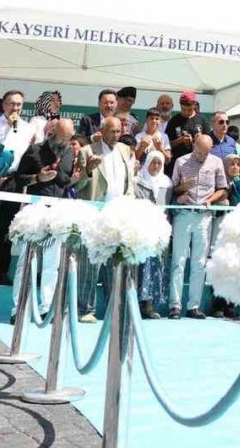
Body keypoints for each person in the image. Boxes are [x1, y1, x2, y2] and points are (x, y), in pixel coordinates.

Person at [12, 118, 78, 319]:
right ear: (52, 133)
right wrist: (38, 178)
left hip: (56, 210)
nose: (64, 142)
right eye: (62, 138)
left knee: (52, 262)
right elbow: (18, 178)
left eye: (68, 138)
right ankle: (18, 307)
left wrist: (71, 179)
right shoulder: (35, 150)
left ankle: (46, 307)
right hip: (34, 210)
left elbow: (65, 180)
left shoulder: (69, 152)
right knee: (26, 260)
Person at [76, 116, 136, 319]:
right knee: (90, 264)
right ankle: (86, 309)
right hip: (94, 216)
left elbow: (129, 182)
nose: (116, 135)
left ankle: (115, 309)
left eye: (119, 131)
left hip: (118, 215)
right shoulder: (87, 151)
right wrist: (88, 171)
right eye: (112, 131)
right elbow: (78, 186)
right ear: (102, 131)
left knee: (115, 263)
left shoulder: (125, 150)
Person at [0, 90, 43, 286]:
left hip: (14, 181)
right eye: (11, 103)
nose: (15, 108)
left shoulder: (27, 129)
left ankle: (0, 271)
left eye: (18, 104)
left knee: (7, 228)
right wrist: (7, 128)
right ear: (3, 105)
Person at [168, 132, 227, 318]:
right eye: (200, 153)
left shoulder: (216, 162)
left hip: (204, 216)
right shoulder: (181, 161)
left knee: (200, 262)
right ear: (194, 146)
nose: (203, 157)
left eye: (206, 153)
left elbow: (223, 189)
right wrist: (182, 190)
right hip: (184, 213)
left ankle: (194, 306)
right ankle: (174, 306)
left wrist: (211, 200)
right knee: (178, 260)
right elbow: (173, 188)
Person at [136, 150, 172, 319]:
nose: (156, 166)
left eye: (159, 163)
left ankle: (150, 305)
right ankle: (135, 304)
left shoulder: (167, 184)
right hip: (140, 230)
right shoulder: (137, 182)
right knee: (140, 267)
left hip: (159, 231)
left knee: (156, 267)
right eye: (153, 162)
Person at [165, 92, 210, 159]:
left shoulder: (202, 120)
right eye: (183, 109)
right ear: (180, 105)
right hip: (178, 161)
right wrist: (181, 140)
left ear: (194, 105)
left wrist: (200, 139)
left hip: (198, 161)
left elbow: (209, 144)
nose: (186, 112)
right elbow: (167, 145)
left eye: (189, 110)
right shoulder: (173, 121)